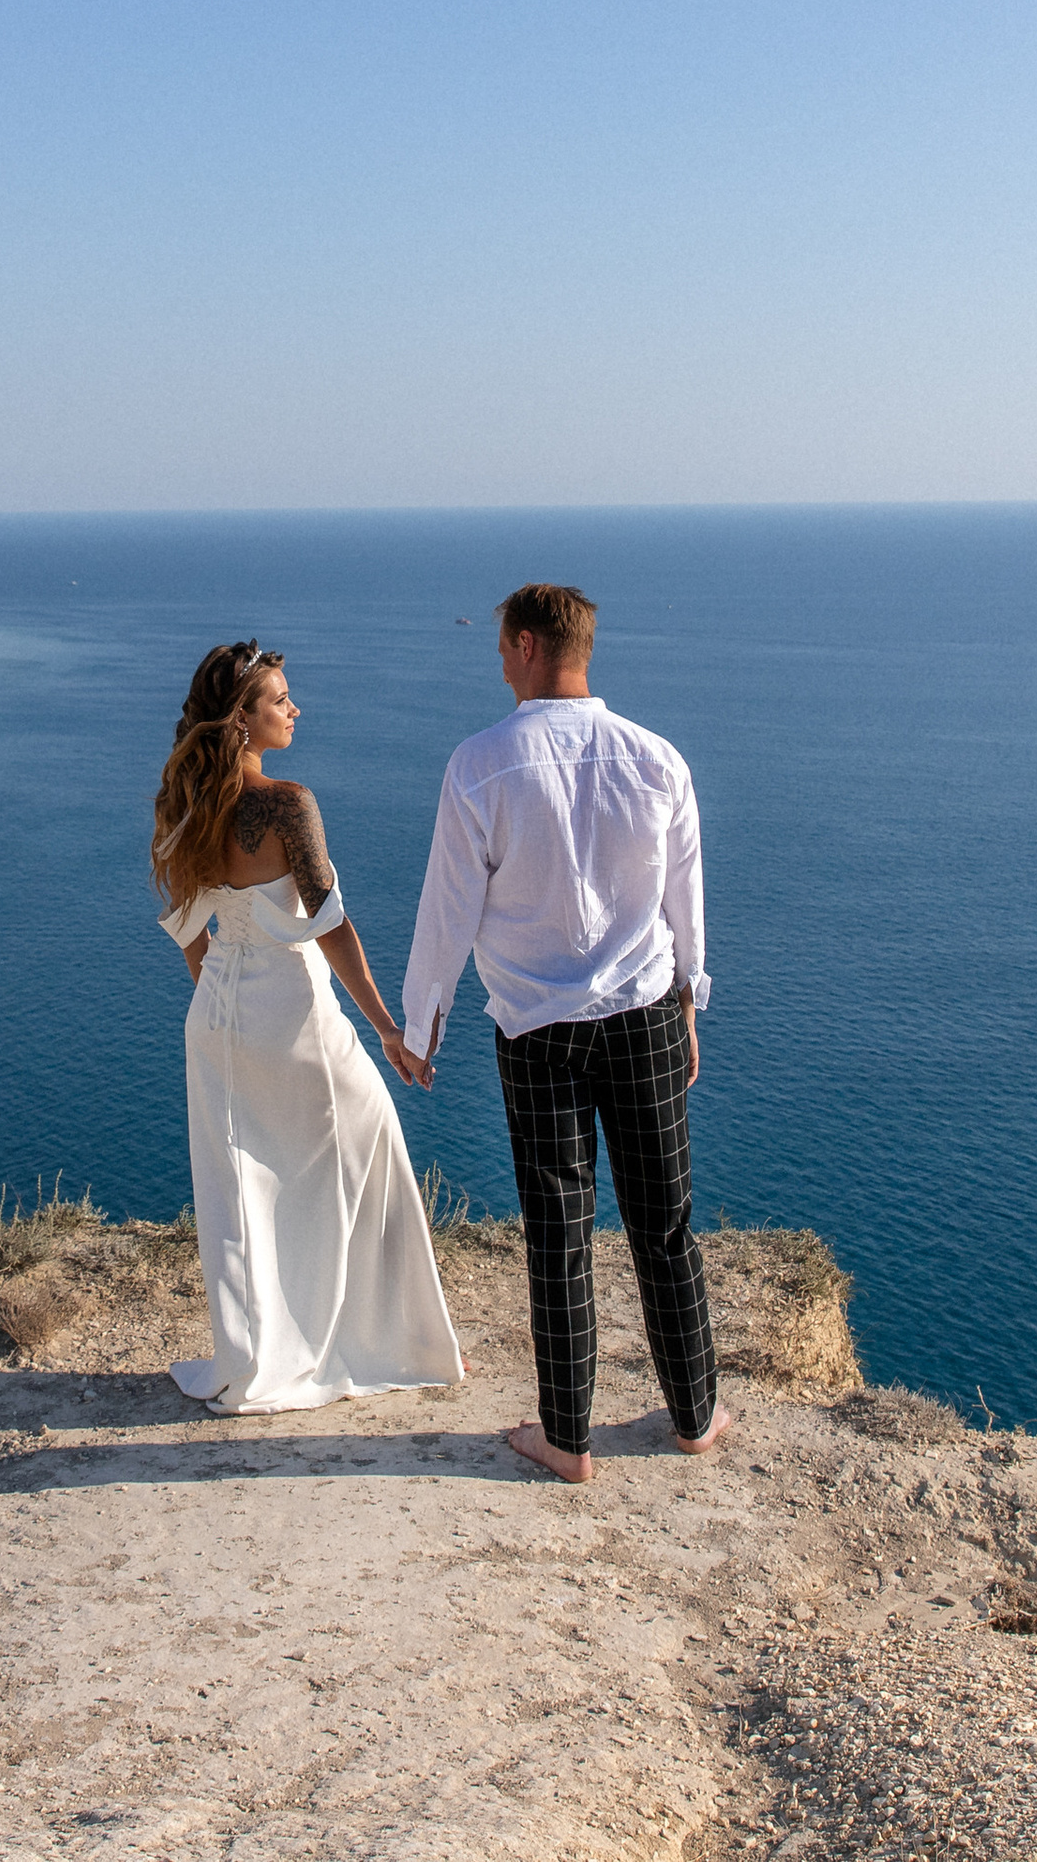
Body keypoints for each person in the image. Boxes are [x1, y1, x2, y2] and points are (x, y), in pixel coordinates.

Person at [402, 583, 732, 1482]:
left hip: (538, 1030)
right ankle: (696, 1417)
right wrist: (690, 1002)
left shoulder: (479, 765)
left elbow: (447, 910)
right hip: (648, 1016)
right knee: (665, 1223)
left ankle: (568, 1439)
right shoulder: (659, 758)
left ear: (520, 645)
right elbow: (685, 903)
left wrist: (420, 1027)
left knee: (559, 1229)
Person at [153, 639, 465, 1414]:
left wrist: (223, 1003)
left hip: (219, 1018)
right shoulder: (288, 804)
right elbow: (331, 926)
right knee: (370, 1148)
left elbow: (191, 931)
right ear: (242, 719)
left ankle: (255, 1354)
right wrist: (391, 1030)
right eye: (280, 699)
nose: (295, 709)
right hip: (296, 1018)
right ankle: (378, 1341)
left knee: (243, 1189)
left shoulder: (185, 806)